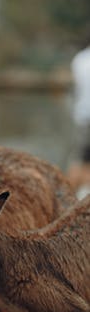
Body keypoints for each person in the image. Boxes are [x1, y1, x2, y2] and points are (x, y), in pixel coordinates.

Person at [68, 41, 90, 197]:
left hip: (82, 116)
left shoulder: (79, 59)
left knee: (80, 158)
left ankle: (69, 199)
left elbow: (77, 89)